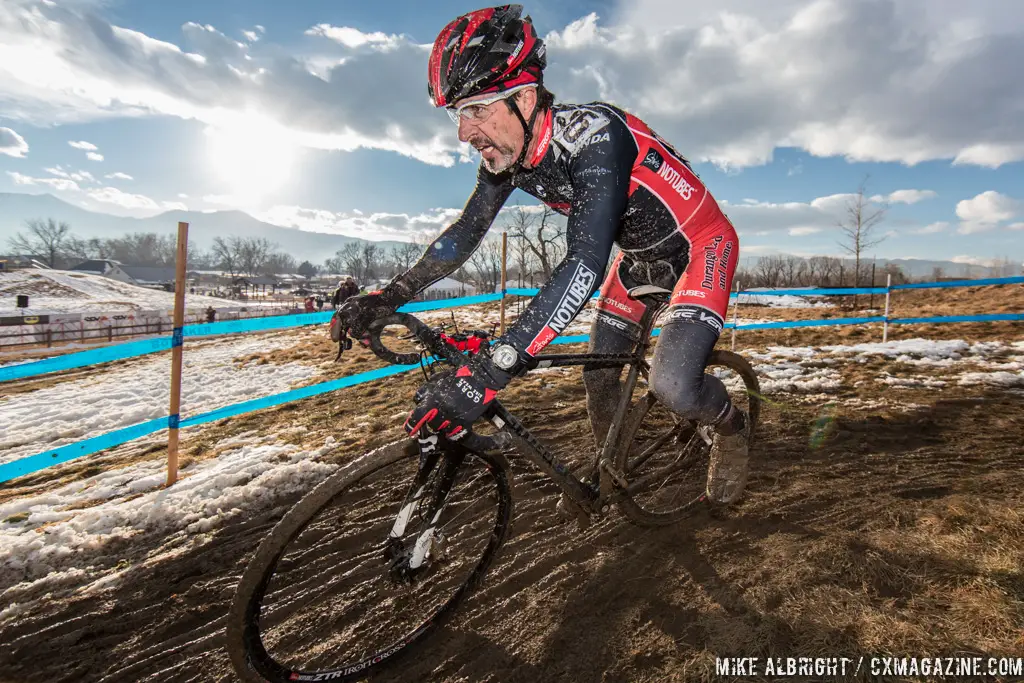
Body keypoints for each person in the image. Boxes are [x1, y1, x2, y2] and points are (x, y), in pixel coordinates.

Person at [339, 5, 748, 504]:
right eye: (457, 114)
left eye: (476, 110)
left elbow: (584, 261)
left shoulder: (596, 136)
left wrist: (497, 365)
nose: (463, 134)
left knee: (674, 387)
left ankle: (732, 429)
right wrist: (390, 294)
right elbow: (466, 232)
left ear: (526, 98)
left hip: (700, 247)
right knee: (599, 374)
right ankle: (611, 471)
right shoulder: (510, 154)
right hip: (638, 260)